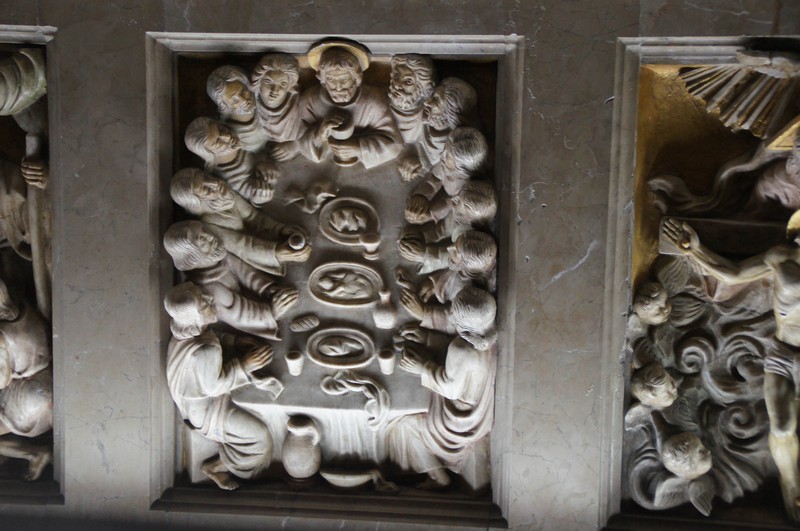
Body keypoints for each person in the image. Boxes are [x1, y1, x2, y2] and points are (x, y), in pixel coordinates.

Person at [663, 214, 800, 520]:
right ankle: (791, 485)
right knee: (781, 427)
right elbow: (735, 273)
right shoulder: (782, 256)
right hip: (781, 353)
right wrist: (695, 249)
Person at [164, 284, 282, 490]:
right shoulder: (204, 351)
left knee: (262, 388)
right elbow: (214, 387)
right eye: (204, 304)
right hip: (209, 413)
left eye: (204, 296)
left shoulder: (188, 334)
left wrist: (235, 341)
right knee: (260, 440)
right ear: (195, 318)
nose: (210, 299)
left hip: (209, 400)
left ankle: (229, 445)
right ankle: (216, 466)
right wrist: (245, 365)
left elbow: (212, 336)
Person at [389, 286, 497, 488]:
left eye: (454, 315)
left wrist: (422, 368)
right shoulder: (488, 338)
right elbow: (462, 353)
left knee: (404, 424)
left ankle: (438, 475)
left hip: (458, 420)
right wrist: (428, 339)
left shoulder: (461, 349)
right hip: (479, 413)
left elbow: (450, 390)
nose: (451, 318)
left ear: (462, 326)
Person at [169, 168, 310, 275]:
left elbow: (254, 217)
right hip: (252, 256)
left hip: (260, 238)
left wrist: (279, 229)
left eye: (206, 177)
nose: (214, 183)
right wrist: (276, 253)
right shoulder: (208, 225)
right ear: (198, 204)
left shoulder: (224, 197)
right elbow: (243, 246)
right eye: (206, 189)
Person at [298, 43, 401, 168]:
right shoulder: (309, 100)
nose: (338, 87)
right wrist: (319, 135)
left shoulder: (372, 101)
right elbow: (298, 140)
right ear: (323, 81)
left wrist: (360, 147)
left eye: (344, 80)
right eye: (331, 80)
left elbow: (394, 145)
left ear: (357, 79)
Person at [164, 220, 298, 307]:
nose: (211, 237)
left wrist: (268, 289)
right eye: (203, 241)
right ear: (195, 258)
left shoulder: (222, 257)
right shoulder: (207, 289)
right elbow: (239, 313)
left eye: (205, 230)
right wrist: (272, 311)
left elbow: (247, 274)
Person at [405, 127, 488, 226]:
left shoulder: (463, 188)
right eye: (445, 149)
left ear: (460, 166)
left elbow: (449, 204)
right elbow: (435, 179)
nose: (442, 155)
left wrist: (431, 215)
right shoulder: (445, 165)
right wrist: (422, 196)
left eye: (447, 156)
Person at [184, 117, 276, 206]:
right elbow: (256, 193)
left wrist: (282, 146)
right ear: (210, 154)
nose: (227, 136)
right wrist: (261, 195)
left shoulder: (235, 128)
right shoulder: (232, 175)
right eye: (218, 142)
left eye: (220, 129)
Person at [251, 54, 304, 161]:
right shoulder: (249, 104)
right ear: (258, 81)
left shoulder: (302, 105)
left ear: (290, 86)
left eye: (282, 84)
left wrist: (296, 145)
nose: (274, 90)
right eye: (268, 82)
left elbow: (321, 134)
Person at [418, 77, 478, 168]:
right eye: (432, 95)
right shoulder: (418, 122)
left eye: (436, 100)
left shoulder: (451, 149)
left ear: (450, 113)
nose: (426, 102)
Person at [206, 65, 265, 152]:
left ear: (247, 84)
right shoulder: (229, 131)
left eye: (242, 91)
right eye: (234, 100)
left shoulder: (265, 98)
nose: (244, 100)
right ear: (225, 105)